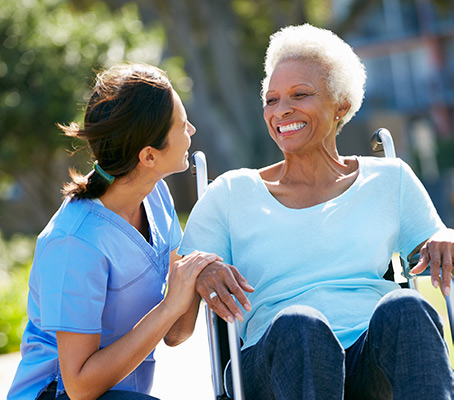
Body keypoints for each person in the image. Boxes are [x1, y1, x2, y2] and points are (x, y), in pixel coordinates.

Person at [178, 24, 454, 399]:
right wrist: (199, 268)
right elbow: (176, 328)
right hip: (276, 359)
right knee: (301, 326)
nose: (282, 110)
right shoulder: (230, 192)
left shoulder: (391, 180)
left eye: (300, 94)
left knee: (407, 305)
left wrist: (445, 235)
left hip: (367, 359)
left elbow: (435, 244)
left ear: (341, 104)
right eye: (271, 99)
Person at [8, 63, 220, 400]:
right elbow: (79, 386)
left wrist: (200, 268)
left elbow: (177, 332)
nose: (192, 129)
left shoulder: (157, 197)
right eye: (182, 124)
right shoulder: (73, 241)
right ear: (149, 155)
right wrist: (168, 306)